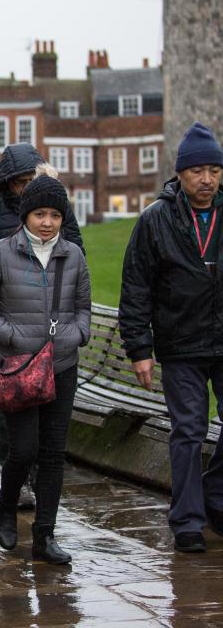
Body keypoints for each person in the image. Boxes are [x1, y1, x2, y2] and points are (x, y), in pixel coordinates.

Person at [0, 174, 91, 565]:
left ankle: (44, 535)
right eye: (40, 213)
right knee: (22, 450)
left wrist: (77, 335)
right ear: (25, 215)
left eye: (55, 214)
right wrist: (8, 334)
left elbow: (84, 306)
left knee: (53, 453)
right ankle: (6, 505)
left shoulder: (72, 255)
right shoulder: (0, 253)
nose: (48, 222)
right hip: (17, 366)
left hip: (61, 365)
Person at [120, 122, 223, 554]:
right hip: (180, 344)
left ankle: (214, 496)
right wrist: (140, 349)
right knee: (188, 430)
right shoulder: (155, 220)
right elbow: (136, 286)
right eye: (197, 170)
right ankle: (187, 521)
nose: (206, 179)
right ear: (179, 174)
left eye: (214, 170)